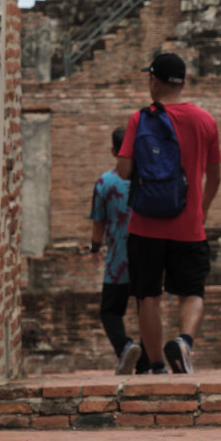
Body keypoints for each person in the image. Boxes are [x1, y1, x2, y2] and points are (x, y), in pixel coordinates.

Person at [117, 51, 221, 376]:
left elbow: (123, 171)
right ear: (183, 82)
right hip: (189, 226)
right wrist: (202, 210)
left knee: (147, 296)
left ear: (154, 81)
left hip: (145, 225)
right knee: (192, 292)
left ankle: (158, 367)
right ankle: (184, 342)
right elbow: (215, 175)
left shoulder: (139, 119)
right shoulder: (205, 120)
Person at [89, 124, 142, 375]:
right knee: (147, 308)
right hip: (147, 256)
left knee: (109, 310)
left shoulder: (105, 182)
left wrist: (95, 247)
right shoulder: (148, 180)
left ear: (113, 151)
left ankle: (124, 347)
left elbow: (98, 222)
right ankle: (148, 362)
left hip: (118, 259)